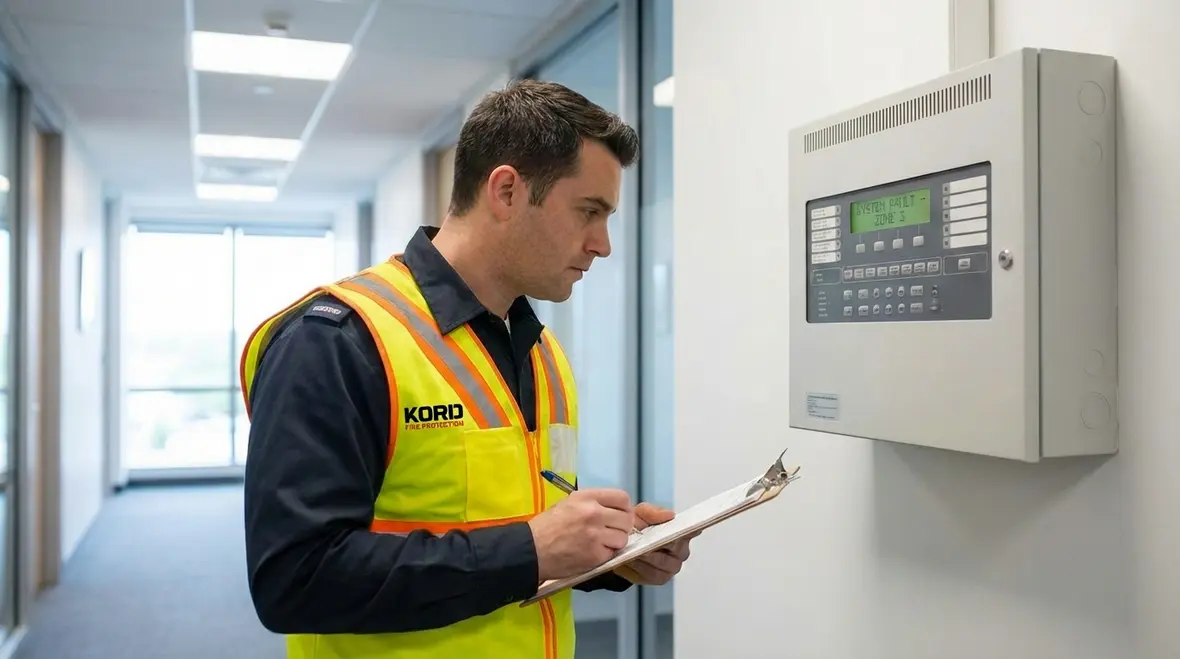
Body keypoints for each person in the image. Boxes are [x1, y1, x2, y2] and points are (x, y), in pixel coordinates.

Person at [239, 78, 695, 659]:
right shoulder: (338, 341)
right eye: (588, 212)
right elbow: (295, 579)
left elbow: (523, 525)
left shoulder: (541, 354)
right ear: (506, 192)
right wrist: (531, 550)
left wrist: (611, 550)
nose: (602, 244)